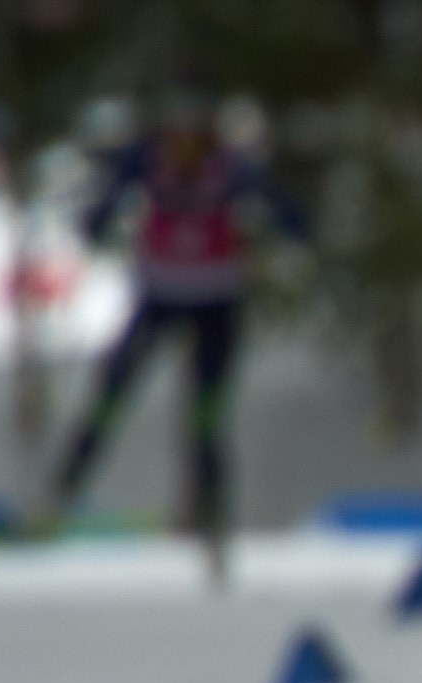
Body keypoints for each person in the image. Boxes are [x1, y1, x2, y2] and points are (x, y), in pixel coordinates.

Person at [46, 92, 305, 583]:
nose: (182, 142)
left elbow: (283, 209)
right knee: (113, 389)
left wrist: (285, 222)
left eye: (193, 130)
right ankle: (61, 494)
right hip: (160, 294)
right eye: (175, 130)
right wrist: (97, 223)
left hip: (216, 299)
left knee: (207, 417)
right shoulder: (145, 158)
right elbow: (104, 205)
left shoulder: (231, 166)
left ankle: (211, 520)